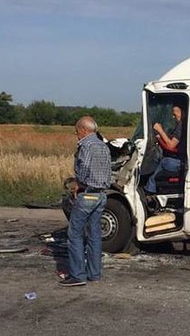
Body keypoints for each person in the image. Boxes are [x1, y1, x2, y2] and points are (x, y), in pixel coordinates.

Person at [59, 116, 111, 287]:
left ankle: (77, 275)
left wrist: (77, 184)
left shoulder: (86, 145)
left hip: (87, 194)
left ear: (84, 130)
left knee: (75, 234)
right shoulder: (103, 146)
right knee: (95, 235)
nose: (76, 135)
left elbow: (83, 169)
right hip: (102, 195)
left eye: (77, 131)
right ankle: (94, 273)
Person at [143, 104, 185, 196]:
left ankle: (149, 190)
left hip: (181, 161)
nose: (173, 117)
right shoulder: (179, 126)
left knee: (163, 162)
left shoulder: (181, 126)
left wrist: (160, 131)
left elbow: (171, 145)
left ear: (183, 112)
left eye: (175, 114)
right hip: (180, 158)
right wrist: (159, 137)